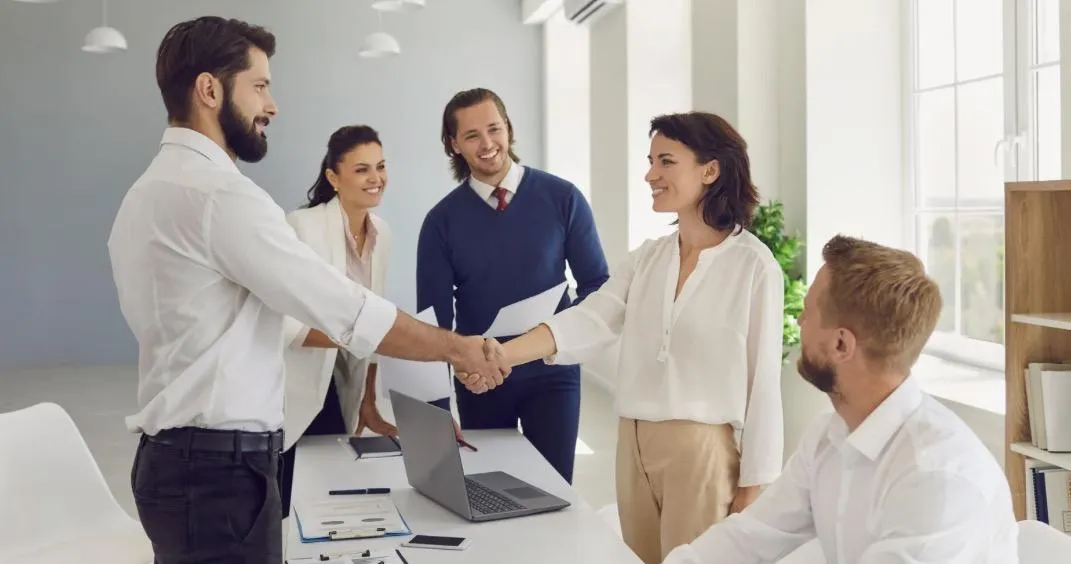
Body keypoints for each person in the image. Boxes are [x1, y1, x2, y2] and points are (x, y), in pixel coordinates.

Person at [107, 17, 506, 563]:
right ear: (209, 89)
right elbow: (345, 309)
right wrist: (458, 348)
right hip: (218, 475)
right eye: (261, 86)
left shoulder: (146, 192)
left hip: (176, 461)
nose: (272, 106)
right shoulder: (222, 197)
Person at [486, 111, 786, 564]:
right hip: (634, 444)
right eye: (650, 161)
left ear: (710, 170)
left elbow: (763, 383)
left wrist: (754, 487)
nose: (650, 174)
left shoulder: (754, 265)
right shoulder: (648, 258)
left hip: (702, 451)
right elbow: (589, 319)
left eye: (666, 161)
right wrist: (501, 354)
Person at [662, 235, 1019, 564]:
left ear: (841, 345)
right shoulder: (829, 436)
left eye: (808, 312)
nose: (799, 321)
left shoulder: (937, 480)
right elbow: (749, 538)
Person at [416, 87, 610, 484]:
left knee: (554, 491)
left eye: (494, 129)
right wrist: (437, 409)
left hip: (553, 374)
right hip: (480, 380)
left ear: (509, 129)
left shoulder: (563, 198)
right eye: (472, 135)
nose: (487, 144)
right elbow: (433, 324)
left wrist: (565, 339)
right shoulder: (441, 222)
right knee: (492, 489)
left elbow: (596, 287)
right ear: (453, 144)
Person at [276, 124, 461, 519]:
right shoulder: (301, 226)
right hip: (300, 382)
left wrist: (368, 400)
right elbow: (287, 325)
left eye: (380, 166)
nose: (375, 179)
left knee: (327, 491)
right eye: (361, 170)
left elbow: (372, 313)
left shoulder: (383, 233)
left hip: (344, 381)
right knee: (292, 494)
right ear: (333, 177)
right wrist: (366, 338)